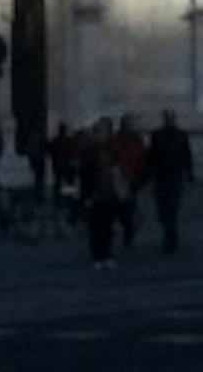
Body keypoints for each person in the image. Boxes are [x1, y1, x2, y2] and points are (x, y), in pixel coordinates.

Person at [147, 109, 195, 253]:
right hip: (161, 177)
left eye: (170, 118)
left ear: (173, 119)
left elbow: (187, 155)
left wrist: (189, 172)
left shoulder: (181, 135)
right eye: (167, 118)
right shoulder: (157, 135)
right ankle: (170, 235)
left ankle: (170, 238)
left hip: (174, 177)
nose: (168, 120)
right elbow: (152, 156)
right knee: (163, 210)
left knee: (171, 209)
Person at [80, 118, 119, 268]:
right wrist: (86, 197)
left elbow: (117, 172)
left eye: (107, 131)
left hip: (109, 194)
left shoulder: (111, 150)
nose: (104, 135)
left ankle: (107, 254)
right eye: (102, 132)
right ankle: (97, 256)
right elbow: (84, 176)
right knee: (96, 228)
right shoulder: (89, 151)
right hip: (95, 195)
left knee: (108, 228)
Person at [112, 116, 149, 250]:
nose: (127, 127)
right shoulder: (116, 139)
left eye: (129, 124)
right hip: (119, 179)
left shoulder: (137, 140)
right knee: (122, 208)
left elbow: (143, 159)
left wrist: (143, 176)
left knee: (128, 207)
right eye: (125, 124)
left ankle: (129, 234)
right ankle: (129, 228)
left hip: (133, 178)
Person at [48, 120, 78, 210]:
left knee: (61, 184)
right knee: (66, 184)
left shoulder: (56, 140)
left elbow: (50, 152)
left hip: (60, 166)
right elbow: (72, 152)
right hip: (64, 166)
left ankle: (60, 201)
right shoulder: (67, 140)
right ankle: (65, 201)